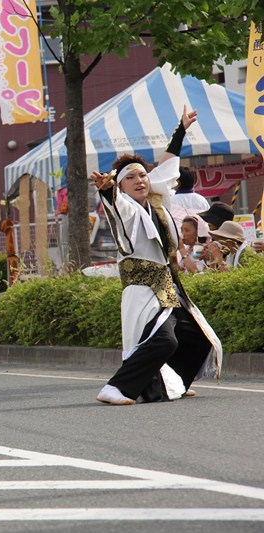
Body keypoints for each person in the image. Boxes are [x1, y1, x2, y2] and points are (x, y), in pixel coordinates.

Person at [92, 105, 222, 405]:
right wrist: (108, 190)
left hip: (167, 285)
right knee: (164, 339)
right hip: (143, 289)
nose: (139, 180)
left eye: (142, 175)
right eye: (131, 178)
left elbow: (166, 167)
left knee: (198, 339)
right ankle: (117, 388)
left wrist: (181, 130)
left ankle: (171, 384)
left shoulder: (156, 200)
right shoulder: (126, 208)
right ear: (121, 186)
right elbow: (115, 206)